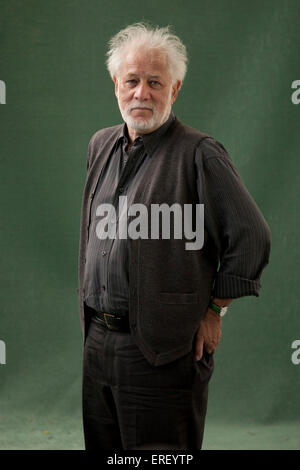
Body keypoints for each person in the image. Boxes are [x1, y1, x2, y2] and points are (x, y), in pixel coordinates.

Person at [77, 23, 271, 450]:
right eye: (132, 81)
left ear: (175, 89)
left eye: (154, 82)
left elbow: (252, 238)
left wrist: (215, 311)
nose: (141, 93)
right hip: (98, 342)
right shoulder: (100, 145)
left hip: (163, 351)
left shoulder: (201, 154)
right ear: (116, 85)